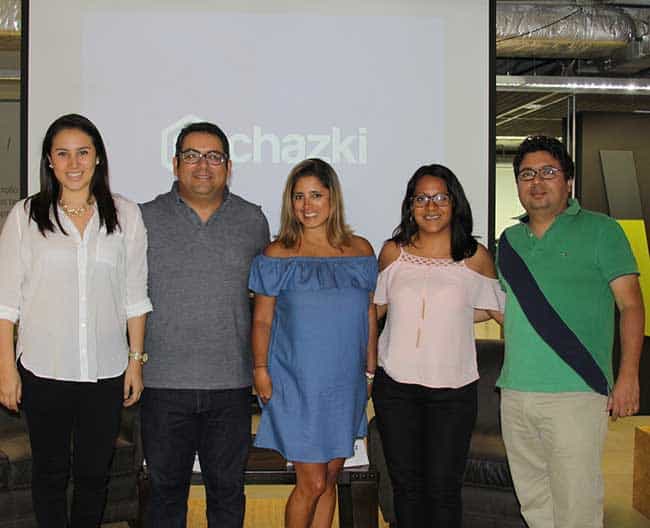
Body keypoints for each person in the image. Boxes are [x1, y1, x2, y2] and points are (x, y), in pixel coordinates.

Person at [0, 113, 152, 527]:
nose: (73, 163)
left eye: (82, 152)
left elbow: (135, 297)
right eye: (62, 153)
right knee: (49, 474)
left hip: (106, 370)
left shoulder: (125, 215)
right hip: (43, 368)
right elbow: (6, 303)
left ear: (98, 157)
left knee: (94, 475)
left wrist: (136, 362)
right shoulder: (26, 216)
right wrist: (6, 370)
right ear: (49, 161)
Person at [496, 135, 644, 528]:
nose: (536, 182)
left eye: (548, 172)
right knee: (535, 504)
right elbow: (506, 308)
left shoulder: (602, 231)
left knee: (577, 505)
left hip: (576, 393)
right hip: (515, 392)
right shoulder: (509, 242)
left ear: (568, 181)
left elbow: (631, 306)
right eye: (527, 174)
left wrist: (629, 375)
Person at [140, 121, 270, 527]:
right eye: (192, 155)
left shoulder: (252, 220)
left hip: (230, 385)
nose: (203, 165)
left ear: (228, 166)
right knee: (164, 496)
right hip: (161, 384)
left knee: (228, 493)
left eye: (213, 157)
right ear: (175, 163)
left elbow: (264, 304)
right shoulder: (143, 218)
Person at [371, 164, 504, 527]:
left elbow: (499, 312)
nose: (431, 206)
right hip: (395, 388)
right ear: (410, 205)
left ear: (454, 202)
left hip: (454, 392)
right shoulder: (393, 253)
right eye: (421, 198)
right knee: (406, 488)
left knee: (444, 490)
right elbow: (372, 310)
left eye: (440, 197)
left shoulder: (475, 256)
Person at [249, 158, 377, 528]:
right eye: (299, 196)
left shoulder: (360, 251)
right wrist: (260, 370)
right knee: (313, 481)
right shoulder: (277, 254)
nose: (307, 205)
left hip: (344, 383)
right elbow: (262, 320)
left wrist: (370, 370)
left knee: (331, 477)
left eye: (316, 195)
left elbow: (368, 314)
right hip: (295, 384)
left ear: (332, 199)